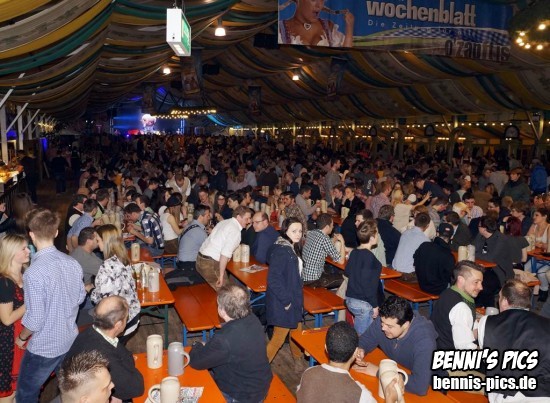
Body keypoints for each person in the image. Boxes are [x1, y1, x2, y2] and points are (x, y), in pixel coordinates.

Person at [16, 208, 87, 402]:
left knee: (25, 394)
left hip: (45, 346)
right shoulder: (72, 263)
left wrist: (22, 337)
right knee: (70, 391)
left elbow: (35, 319)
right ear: (56, 233)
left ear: (31, 235)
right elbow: (80, 298)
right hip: (69, 339)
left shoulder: (33, 273)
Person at [190, 284, 272, 402]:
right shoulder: (252, 319)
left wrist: (196, 345)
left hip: (243, 395)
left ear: (222, 311)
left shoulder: (224, 339)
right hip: (260, 384)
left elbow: (196, 362)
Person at [478, 279, 550, 401]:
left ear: (505, 301)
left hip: (503, 397)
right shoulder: (547, 325)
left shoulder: (486, 322)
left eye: (500, 297)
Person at [297, 321, 401, 403]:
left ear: (326, 348)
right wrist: (390, 399)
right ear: (355, 352)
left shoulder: (308, 373)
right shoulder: (359, 393)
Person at [64, 296, 144, 401]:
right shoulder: (105, 356)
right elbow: (137, 388)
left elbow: (125, 355)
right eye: (126, 318)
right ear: (118, 325)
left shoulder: (91, 332)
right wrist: (128, 362)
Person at [354, 296, 437, 396]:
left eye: (389, 326)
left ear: (406, 325)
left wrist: (380, 372)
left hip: (428, 387)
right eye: (382, 323)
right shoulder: (386, 319)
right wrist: (361, 349)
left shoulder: (424, 341)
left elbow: (420, 386)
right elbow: (366, 339)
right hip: (398, 372)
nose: (383, 328)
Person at [91, 225, 140, 338]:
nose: (97, 244)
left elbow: (103, 300)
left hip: (121, 321)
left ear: (105, 242)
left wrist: (91, 290)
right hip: (133, 313)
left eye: (98, 240)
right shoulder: (123, 259)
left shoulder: (107, 267)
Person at [265, 217, 304, 363]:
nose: (298, 234)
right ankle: (260, 368)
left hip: (293, 299)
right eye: (294, 231)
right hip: (285, 302)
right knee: (278, 339)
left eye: (300, 231)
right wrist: (287, 301)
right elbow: (273, 280)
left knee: (297, 332)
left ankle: (298, 359)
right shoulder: (283, 251)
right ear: (285, 231)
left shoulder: (288, 246)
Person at [0, 234, 29, 402]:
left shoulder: (25, 275)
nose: (28, 251)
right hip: (8, 342)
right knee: (8, 393)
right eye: (23, 249)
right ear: (11, 252)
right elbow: (7, 319)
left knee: (21, 391)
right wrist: (31, 303)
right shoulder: (4, 282)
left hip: (24, 335)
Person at [473, 215, 525, 307]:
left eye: (479, 226)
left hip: (499, 271)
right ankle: (477, 306)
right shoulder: (480, 235)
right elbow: (473, 248)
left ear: (484, 229)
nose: (477, 228)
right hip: (483, 267)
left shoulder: (501, 239)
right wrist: (475, 253)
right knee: (470, 279)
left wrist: (474, 254)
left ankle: (489, 309)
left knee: (484, 285)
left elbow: (490, 258)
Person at [430, 261, 483, 350]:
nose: (481, 287)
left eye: (481, 282)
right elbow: (464, 346)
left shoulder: (447, 292)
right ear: (461, 280)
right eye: (476, 282)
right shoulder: (461, 307)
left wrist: (484, 328)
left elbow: (467, 327)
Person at [197, 206, 252, 289]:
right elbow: (224, 254)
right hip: (209, 264)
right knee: (226, 291)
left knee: (225, 288)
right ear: (238, 217)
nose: (249, 221)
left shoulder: (224, 222)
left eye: (250, 219)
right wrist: (221, 275)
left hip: (200, 259)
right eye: (246, 219)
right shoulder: (235, 231)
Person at [345, 219, 382, 335]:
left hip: (350, 299)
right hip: (363, 304)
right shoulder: (370, 258)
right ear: (371, 238)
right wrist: (374, 306)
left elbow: (347, 272)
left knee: (360, 333)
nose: (378, 236)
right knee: (363, 338)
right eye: (377, 233)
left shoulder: (354, 252)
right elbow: (369, 286)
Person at [278, 0, 355, 47]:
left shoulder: (329, 28)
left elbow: (344, 55)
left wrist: (349, 27)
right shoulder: (280, 29)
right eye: (313, 0)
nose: (319, 6)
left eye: (322, 0)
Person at [302, 213, 345, 288]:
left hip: (303, 275)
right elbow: (341, 261)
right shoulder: (324, 238)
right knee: (344, 279)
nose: (333, 227)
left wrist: (333, 240)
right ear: (327, 227)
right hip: (313, 279)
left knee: (330, 270)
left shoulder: (311, 233)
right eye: (332, 225)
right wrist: (342, 241)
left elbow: (325, 247)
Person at [414, 223, 455, 295]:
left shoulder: (424, 245)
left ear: (437, 233)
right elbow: (449, 277)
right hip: (438, 289)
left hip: (421, 284)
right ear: (451, 237)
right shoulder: (449, 256)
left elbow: (415, 261)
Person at [392, 212, 431, 281]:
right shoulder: (425, 240)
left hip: (394, 270)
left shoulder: (405, 232)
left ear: (415, 221)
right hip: (407, 275)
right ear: (427, 226)